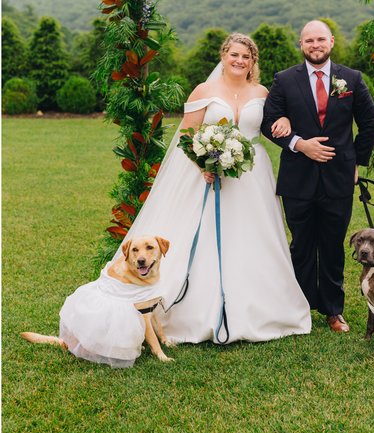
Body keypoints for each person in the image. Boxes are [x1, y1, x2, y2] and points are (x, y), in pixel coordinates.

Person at [114, 33, 311, 344]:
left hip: (253, 176)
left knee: (255, 236)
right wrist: (204, 166)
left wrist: (284, 118)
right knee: (206, 237)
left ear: (252, 62)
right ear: (223, 56)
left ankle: (262, 308)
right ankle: (197, 309)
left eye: (246, 57)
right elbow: (187, 135)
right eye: (234, 54)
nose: (239, 61)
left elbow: (275, 118)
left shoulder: (262, 91)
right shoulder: (204, 90)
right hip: (209, 176)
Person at [261, 20, 374, 333]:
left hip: (339, 178)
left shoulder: (351, 78)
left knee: (331, 245)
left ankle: (332, 310)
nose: (315, 45)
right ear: (301, 44)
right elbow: (267, 122)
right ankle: (297, 309)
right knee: (301, 245)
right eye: (309, 40)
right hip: (297, 179)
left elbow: (370, 124)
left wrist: (356, 162)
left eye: (321, 40)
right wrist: (299, 144)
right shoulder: (285, 80)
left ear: (332, 42)